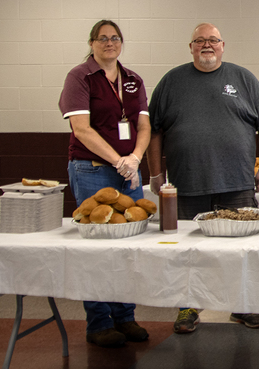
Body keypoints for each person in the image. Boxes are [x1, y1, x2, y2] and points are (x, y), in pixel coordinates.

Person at [147, 23, 259, 334]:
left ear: (223, 45)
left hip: (237, 184)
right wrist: (154, 172)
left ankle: (242, 305)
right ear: (190, 47)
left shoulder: (243, 78)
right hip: (187, 183)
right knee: (188, 252)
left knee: (242, 250)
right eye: (200, 40)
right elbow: (153, 131)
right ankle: (188, 307)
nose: (207, 45)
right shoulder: (171, 82)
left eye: (213, 40)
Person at [58, 20, 150, 347]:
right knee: (97, 248)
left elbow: (142, 125)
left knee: (128, 247)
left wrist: (136, 159)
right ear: (92, 43)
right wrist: (119, 161)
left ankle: (125, 317)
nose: (109, 43)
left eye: (115, 38)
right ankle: (98, 322)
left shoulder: (133, 80)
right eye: (102, 38)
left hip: (128, 169)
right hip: (93, 169)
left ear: (122, 43)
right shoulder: (80, 78)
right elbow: (81, 129)